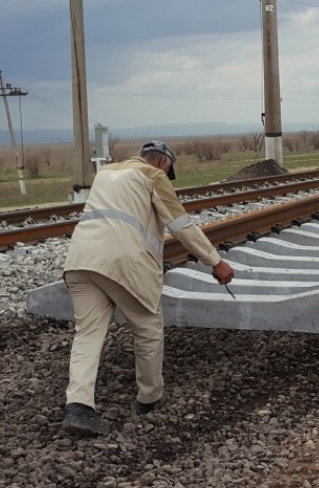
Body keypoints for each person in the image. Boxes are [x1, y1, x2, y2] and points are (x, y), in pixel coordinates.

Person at [61, 141, 234, 437]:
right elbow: (181, 225)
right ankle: (149, 398)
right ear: (164, 163)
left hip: (80, 260)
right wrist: (215, 262)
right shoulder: (154, 177)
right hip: (124, 262)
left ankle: (79, 406)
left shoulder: (106, 173)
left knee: (88, 333)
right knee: (148, 326)